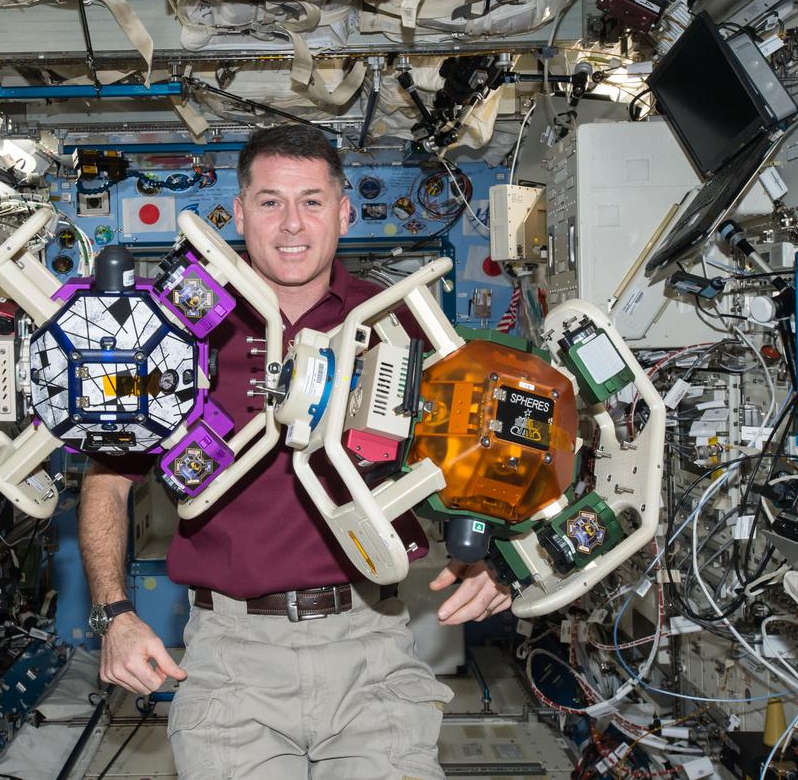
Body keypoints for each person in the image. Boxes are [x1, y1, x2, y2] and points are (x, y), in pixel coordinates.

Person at [79, 124, 513, 779]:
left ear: (343, 211)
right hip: (230, 657)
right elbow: (106, 482)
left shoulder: (397, 322)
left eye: (311, 201)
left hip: (368, 644)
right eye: (270, 201)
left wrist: (498, 563)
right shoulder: (172, 332)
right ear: (238, 210)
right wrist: (114, 613)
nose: (291, 225)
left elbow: (485, 455)